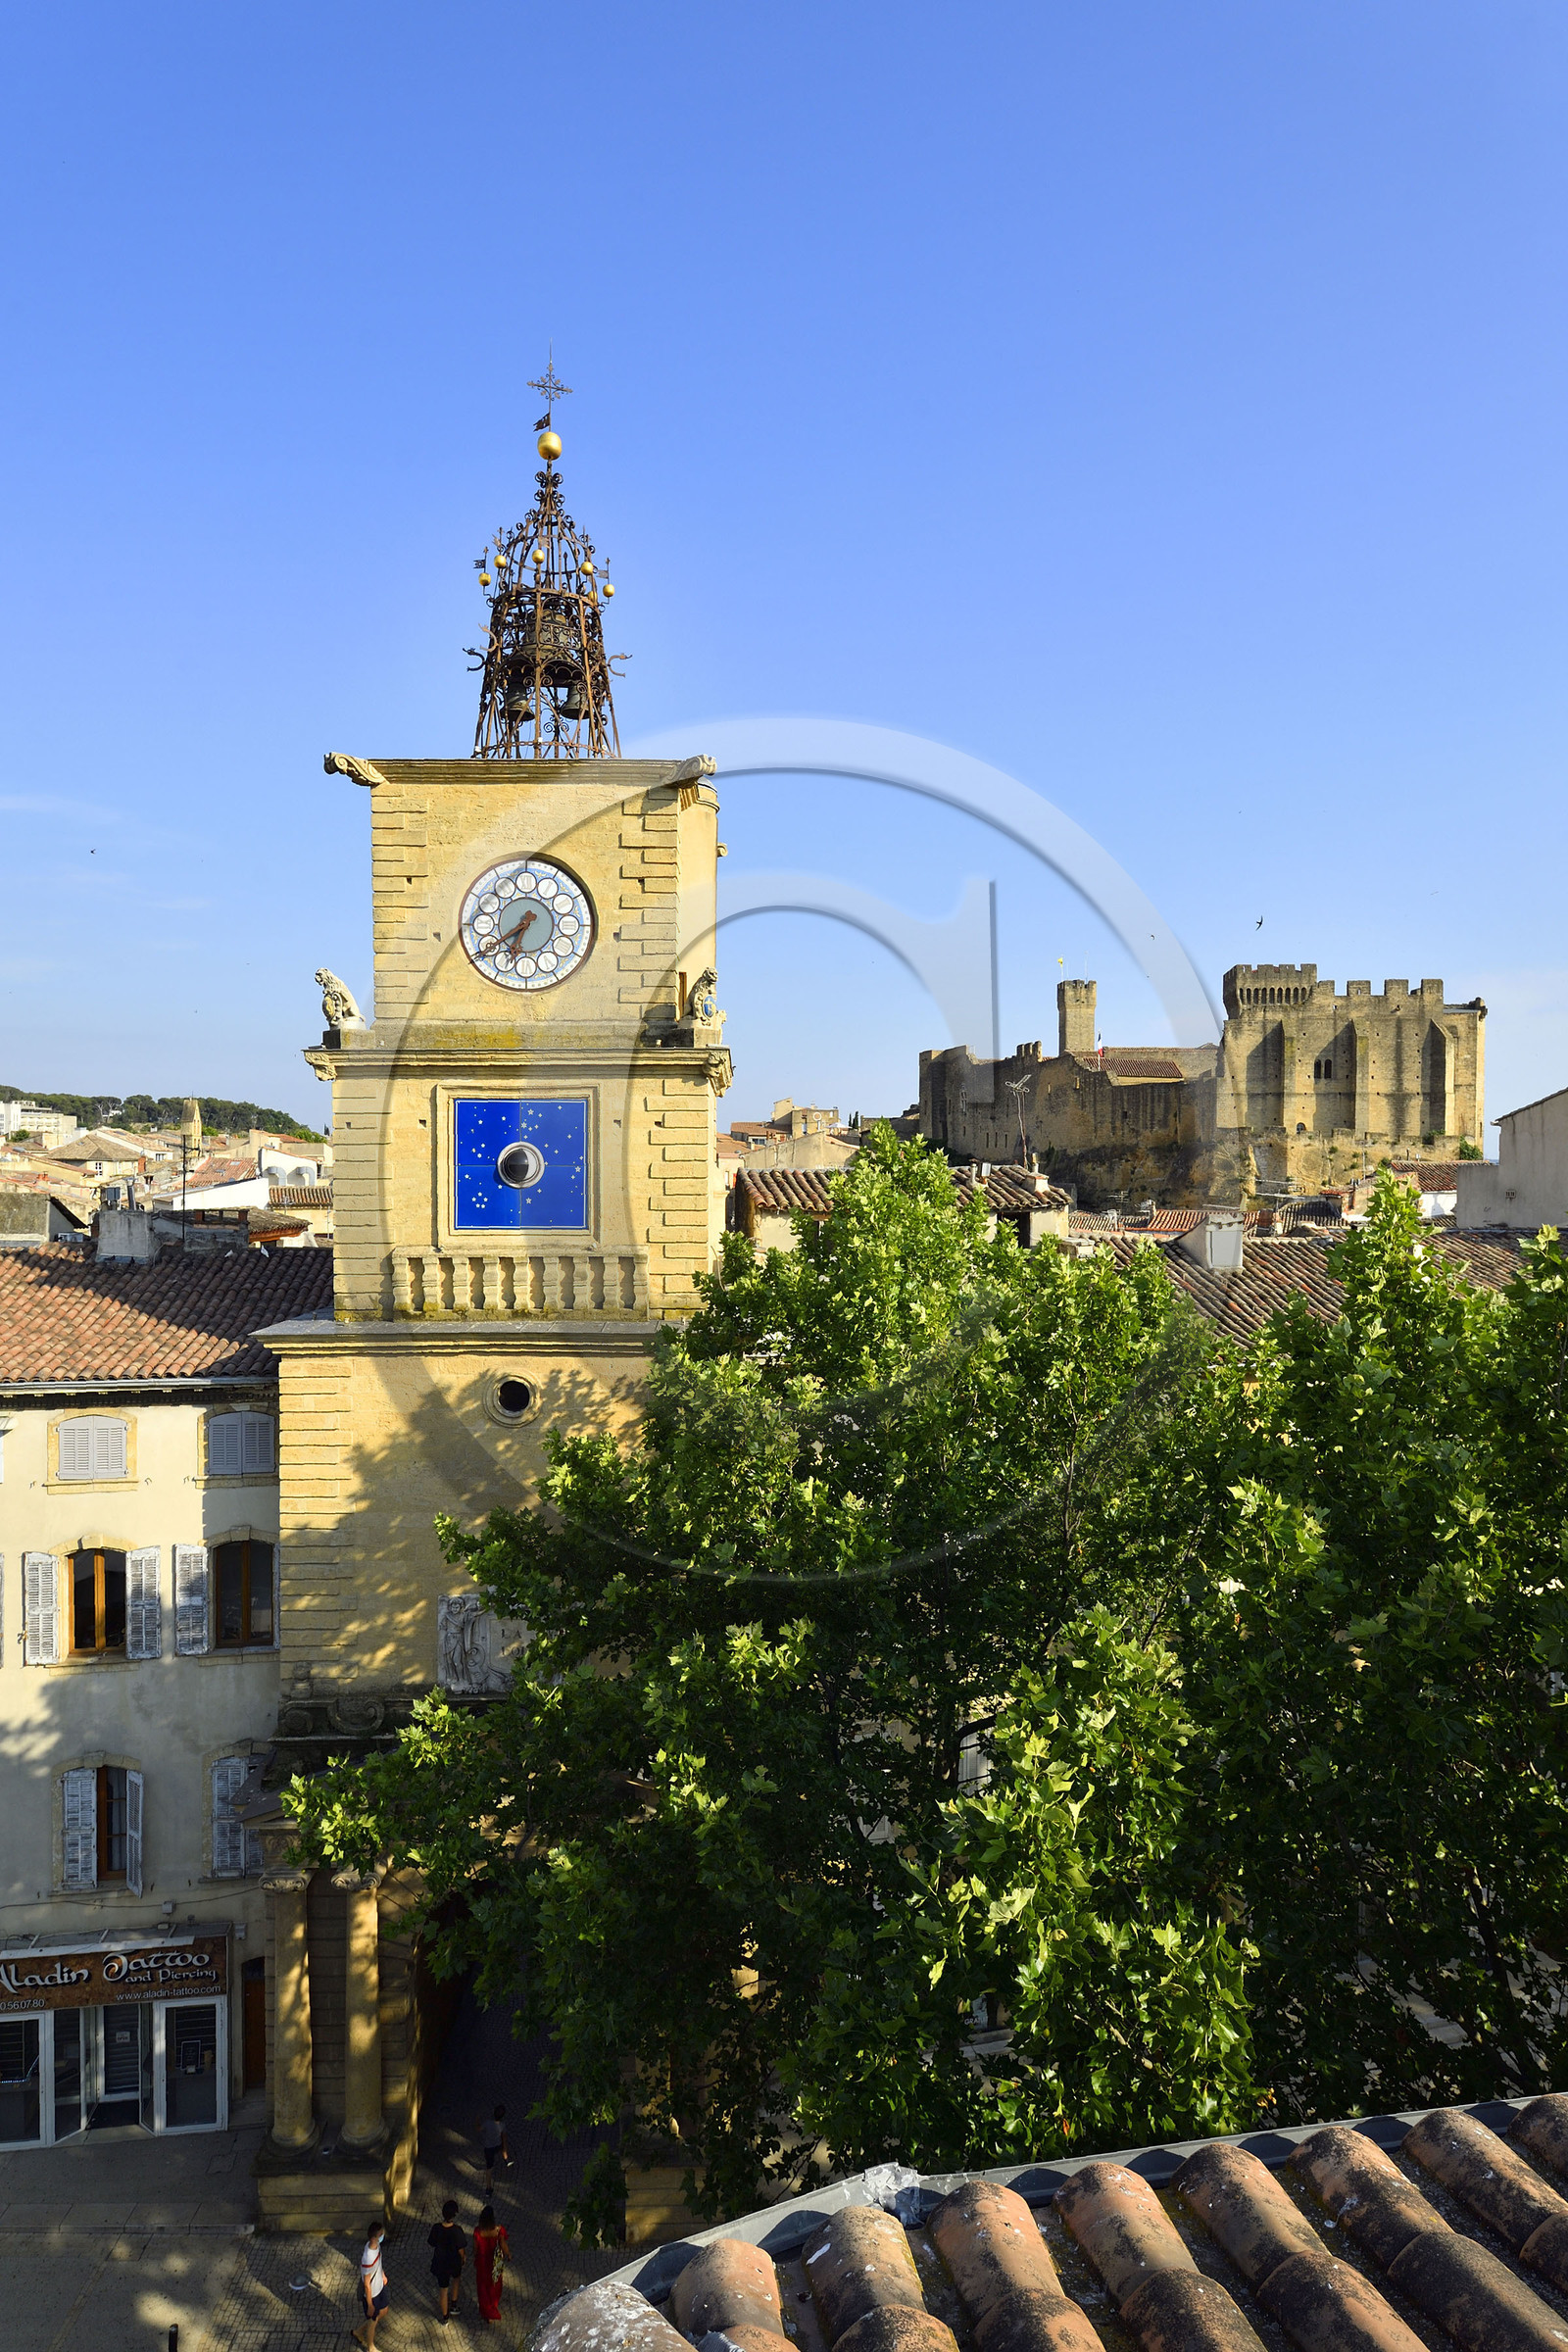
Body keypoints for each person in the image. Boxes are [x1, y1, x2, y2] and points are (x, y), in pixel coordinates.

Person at [428, 2197, 466, 2324]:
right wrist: (463, 2257)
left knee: (443, 2290)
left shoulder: (437, 2228)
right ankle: (454, 2304)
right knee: (456, 2279)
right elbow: (461, 2249)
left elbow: (432, 2242)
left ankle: (445, 2317)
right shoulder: (457, 2231)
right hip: (454, 2262)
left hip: (440, 2264)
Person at [473, 2203, 512, 2327]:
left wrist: (475, 2258)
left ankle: (486, 2312)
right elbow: (503, 2244)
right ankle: (493, 2307)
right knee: (495, 2286)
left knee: (483, 2288)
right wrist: (508, 2254)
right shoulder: (499, 2230)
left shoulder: (478, 2232)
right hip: (495, 2263)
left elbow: (476, 2248)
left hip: (483, 2263)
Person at [353, 2220, 389, 2348]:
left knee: (384, 2311)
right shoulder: (368, 2258)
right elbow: (367, 2285)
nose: (383, 2235)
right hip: (372, 2294)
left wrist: (383, 2275)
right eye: (381, 2234)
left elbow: (379, 2262)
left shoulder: (375, 2245)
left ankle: (359, 2331)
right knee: (373, 2321)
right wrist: (370, 2305)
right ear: (374, 2238)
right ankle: (371, 2347)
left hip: (380, 2287)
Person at [479, 2102, 512, 2176]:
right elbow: (504, 2137)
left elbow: (479, 2128)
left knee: (490, 2162)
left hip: (489, 2147)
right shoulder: (502, 2125)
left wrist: (477, 2121)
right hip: (498, 2144)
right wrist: (505, 2147)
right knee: (502, 2148)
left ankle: (489, 2173)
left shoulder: (487, 2123)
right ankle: (506, 2159)